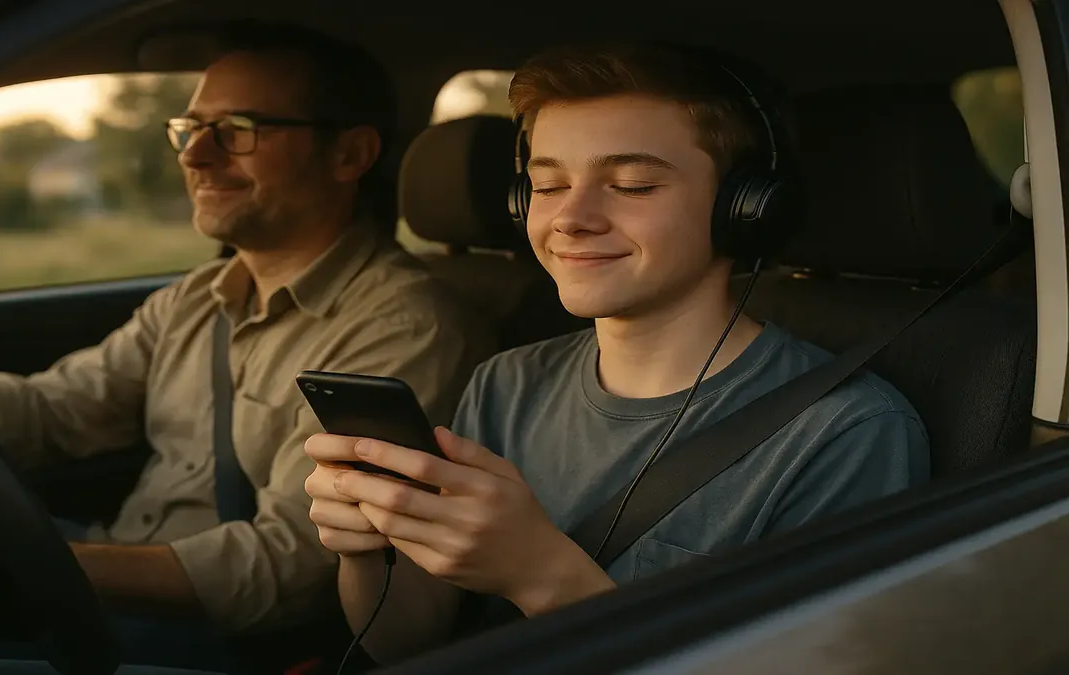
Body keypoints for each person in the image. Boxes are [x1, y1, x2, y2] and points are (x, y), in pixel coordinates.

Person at [0, 20, 494, 673]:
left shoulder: (404, 328)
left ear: (349, 155)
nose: (196, 156)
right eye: (190, 128)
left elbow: (290, 565)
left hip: (219, 640)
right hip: (111, 580)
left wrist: (33, 563)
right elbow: (55, 410)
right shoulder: (200, 294)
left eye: (238, 130)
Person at [301, 42, 931, 667]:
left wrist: (541, 574)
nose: (571, 217)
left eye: (632, 185)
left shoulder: (846, 433)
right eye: (548, 185)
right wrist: (368, 545)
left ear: (745, 208)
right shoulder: (509, 382)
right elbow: (405, 644)